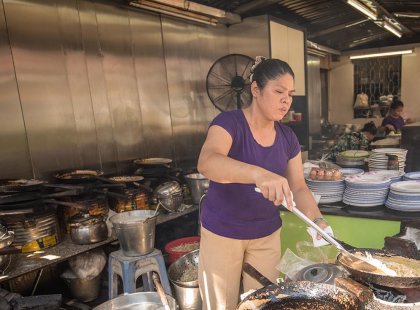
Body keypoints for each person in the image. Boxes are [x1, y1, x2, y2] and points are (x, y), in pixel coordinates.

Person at [196, 56, 329, 309]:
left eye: (290, 94)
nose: (286, 100)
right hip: (223, 232)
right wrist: (260, 174)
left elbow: (298, 187)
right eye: (278, 91)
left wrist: (318, 220)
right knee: (220, 305)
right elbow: (207, 162)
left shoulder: (288, 138)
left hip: (266, 234)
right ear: (255, 90)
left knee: (263, 304)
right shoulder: (229, 123)